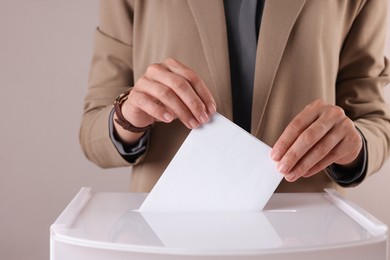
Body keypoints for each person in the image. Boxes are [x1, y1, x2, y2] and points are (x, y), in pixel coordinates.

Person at [80, 0, 390, 193]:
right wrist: (129, 116)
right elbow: (92, 132)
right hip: (170, 234)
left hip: (304, 236)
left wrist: (354, 145)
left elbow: (373, 121)